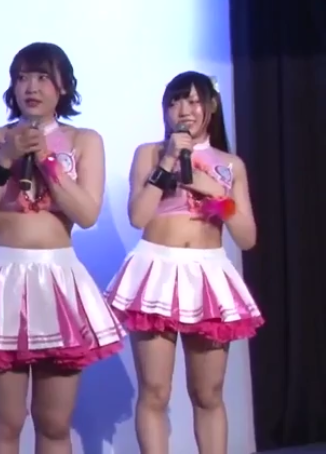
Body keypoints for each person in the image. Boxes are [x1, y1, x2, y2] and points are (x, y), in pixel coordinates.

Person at [0, 42, 125, 454]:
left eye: (42, 77)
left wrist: (48, 161)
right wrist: (5, 160)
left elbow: (86, 214)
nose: (30, 87)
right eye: (22, 77)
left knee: (54, 423)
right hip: (2, 278)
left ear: (63, 86)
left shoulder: (84, 140)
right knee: (6, 421)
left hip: (58, 279)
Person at [105, 71, 262, 454]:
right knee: (155, 390)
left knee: (208, 393)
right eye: (175, 101)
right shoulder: (149, 153)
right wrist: (169, 160)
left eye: (193, 101)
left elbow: (247, 237)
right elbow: (138, 216)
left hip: (208, 274)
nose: (184, 110)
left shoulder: (230, 164)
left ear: (211, 106)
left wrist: (218, 195)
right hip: (156, 269)